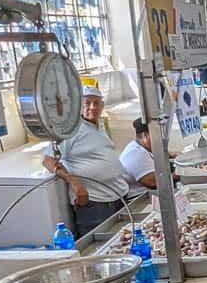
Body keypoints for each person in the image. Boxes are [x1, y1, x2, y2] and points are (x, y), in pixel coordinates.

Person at [43, 85, 132, 237]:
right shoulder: (70, 129)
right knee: (99, 248)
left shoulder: (98, 125)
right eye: (87, 103)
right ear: (78, 106)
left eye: (96, 103)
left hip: (118, 196)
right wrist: (74, 183)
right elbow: (48, 160)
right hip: (95, 203)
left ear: (102, 105)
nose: (92, 107)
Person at [120, 118, 159, 189]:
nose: (160, 139)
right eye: (157, 135)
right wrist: (178, 174)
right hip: (140, 196)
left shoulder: (138, 146)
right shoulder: (136, 154)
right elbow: (152, 182)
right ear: (145, 135)